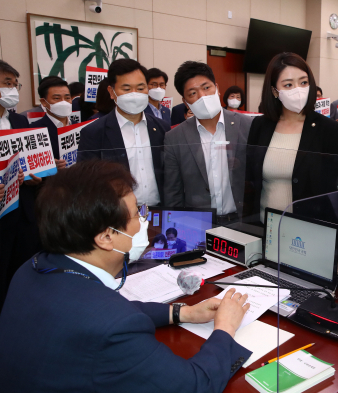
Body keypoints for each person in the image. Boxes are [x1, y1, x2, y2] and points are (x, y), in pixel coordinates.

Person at [0, 160, 251, 392]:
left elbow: (101, 311)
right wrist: (225, 329)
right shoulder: (113, 325)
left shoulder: (32, 268)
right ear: (106, 237)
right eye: (137, 214)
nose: (143, 221)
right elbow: (194, 385)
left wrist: (181, 312)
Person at [244, 52, 338, 224]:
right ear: (275, 91)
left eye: (303, 82)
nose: (298, 90)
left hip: (308, 231)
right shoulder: (260, 125)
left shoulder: (328, 129)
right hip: (263, 228)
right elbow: (251, 180)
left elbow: (335, 186)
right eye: (288, 85)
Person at [164, 61, 253, 220]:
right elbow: (173, 191)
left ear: (217, 89)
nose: (202, 96)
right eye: (193, 93)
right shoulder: (174, 137)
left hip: (241, 220)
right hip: (198, 224)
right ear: (185, 102)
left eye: (206, 88)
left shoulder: (247, 125)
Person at [77, 59, 170, 206]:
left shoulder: (163, 128)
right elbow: (87, 183)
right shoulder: (94, 133)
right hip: (118, 215)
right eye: (126, 89)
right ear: (111, 92)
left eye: (140, 89)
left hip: (160, 212)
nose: (134, 95)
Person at [0, 60, 33, 312]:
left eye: (14, 84)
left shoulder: (20, 122)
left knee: (21, 271)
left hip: (21, 212)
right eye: (6, 83)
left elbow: (32, 161)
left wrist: (41, 170)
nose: (12, 89)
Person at [30, 76, 75, 161]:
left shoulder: (79, 127)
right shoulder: (34, 131)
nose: (63, 102)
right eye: (57, 98)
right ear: (44, 102)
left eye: (67, 98)